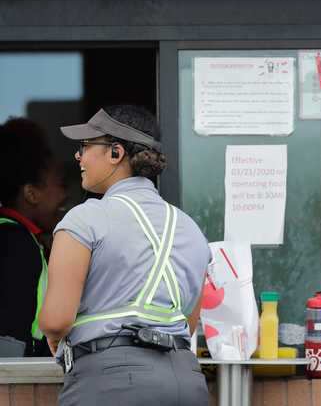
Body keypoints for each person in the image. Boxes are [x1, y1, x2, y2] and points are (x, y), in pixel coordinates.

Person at [38, 105, 210, 405]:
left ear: (116, 153)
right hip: (186, 380)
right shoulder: (192, 229)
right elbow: (187, 322)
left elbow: (55, 320)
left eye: (86, 146)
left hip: (111, 382)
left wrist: (57, 336)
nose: (79, 156)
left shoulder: (86, 218)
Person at [0, 117, 67, 357]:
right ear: (31, 193)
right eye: (60, 183)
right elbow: (9, 341)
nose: (65, 195)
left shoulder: (20, 239)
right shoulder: (15, 244)